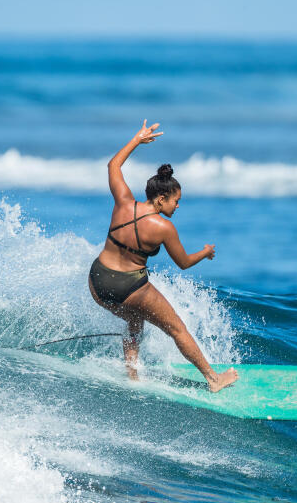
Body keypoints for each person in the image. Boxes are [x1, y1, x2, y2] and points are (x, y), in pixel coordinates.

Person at [88, 120, 239, 392]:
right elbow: (182, 263)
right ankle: (214, 379)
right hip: (128, 285)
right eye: (175, 200)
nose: (178, 205)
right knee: (177, 329)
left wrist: (137, 139)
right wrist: (204, 253)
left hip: (97, 281)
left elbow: (113, 166)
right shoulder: (164, 227)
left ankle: (132, 376)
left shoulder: (123, 202)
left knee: (135, 319)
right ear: (160, 199)